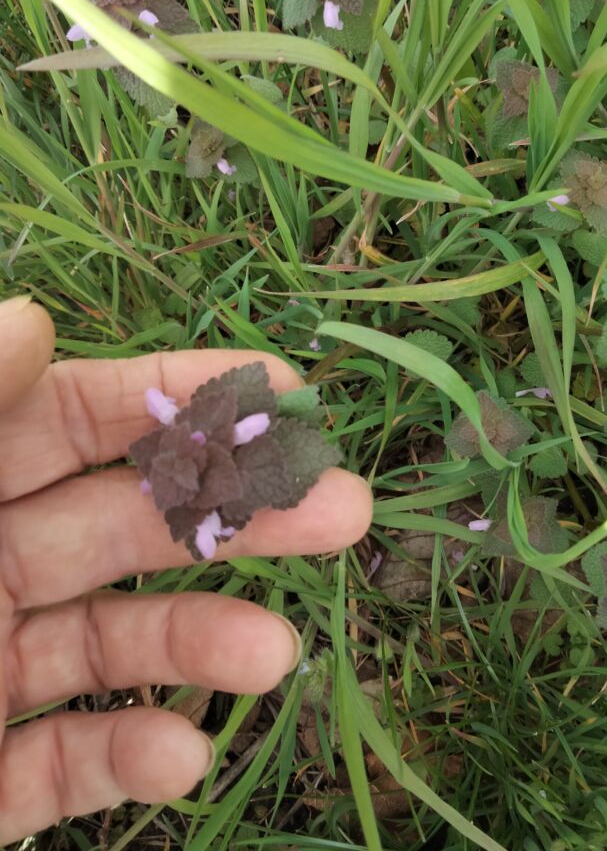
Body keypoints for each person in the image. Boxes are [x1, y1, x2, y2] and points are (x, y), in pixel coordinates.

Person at [0, 295, 372, 842]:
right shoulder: (178, 468)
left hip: (227, 452)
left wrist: (210, 449)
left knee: (270, 423)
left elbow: (227, 434)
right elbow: (172, 461)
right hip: (202, 465)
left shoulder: (215, 453)